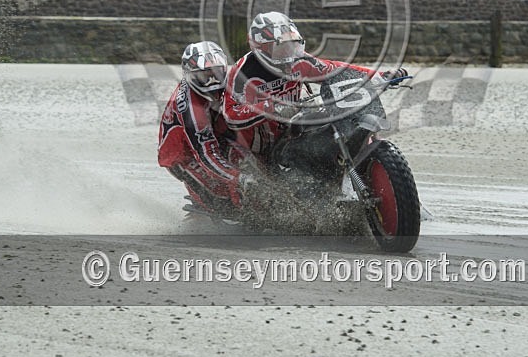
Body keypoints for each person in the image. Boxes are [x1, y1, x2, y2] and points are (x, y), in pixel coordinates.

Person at [222, 11, 407, 158]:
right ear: (261, 47)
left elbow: (334, 69)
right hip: (260, 147)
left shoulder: (298, 60)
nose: (289, 52)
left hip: (292, 128)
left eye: (292, 45)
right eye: (281, 47)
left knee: (329, 126)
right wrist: (272, 107)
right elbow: (231, 115)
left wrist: (380, 76)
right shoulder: (241, 74)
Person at [158, 41, 251, 214]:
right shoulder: (190, 108)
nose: (212, 81)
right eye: (205, 76)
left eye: (216, 73)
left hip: (213, 132)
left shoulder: (228, 81)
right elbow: (205, 153)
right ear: (190, 75)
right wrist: (238, 178)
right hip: (182, 154)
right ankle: (206, 208)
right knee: (222, 197)